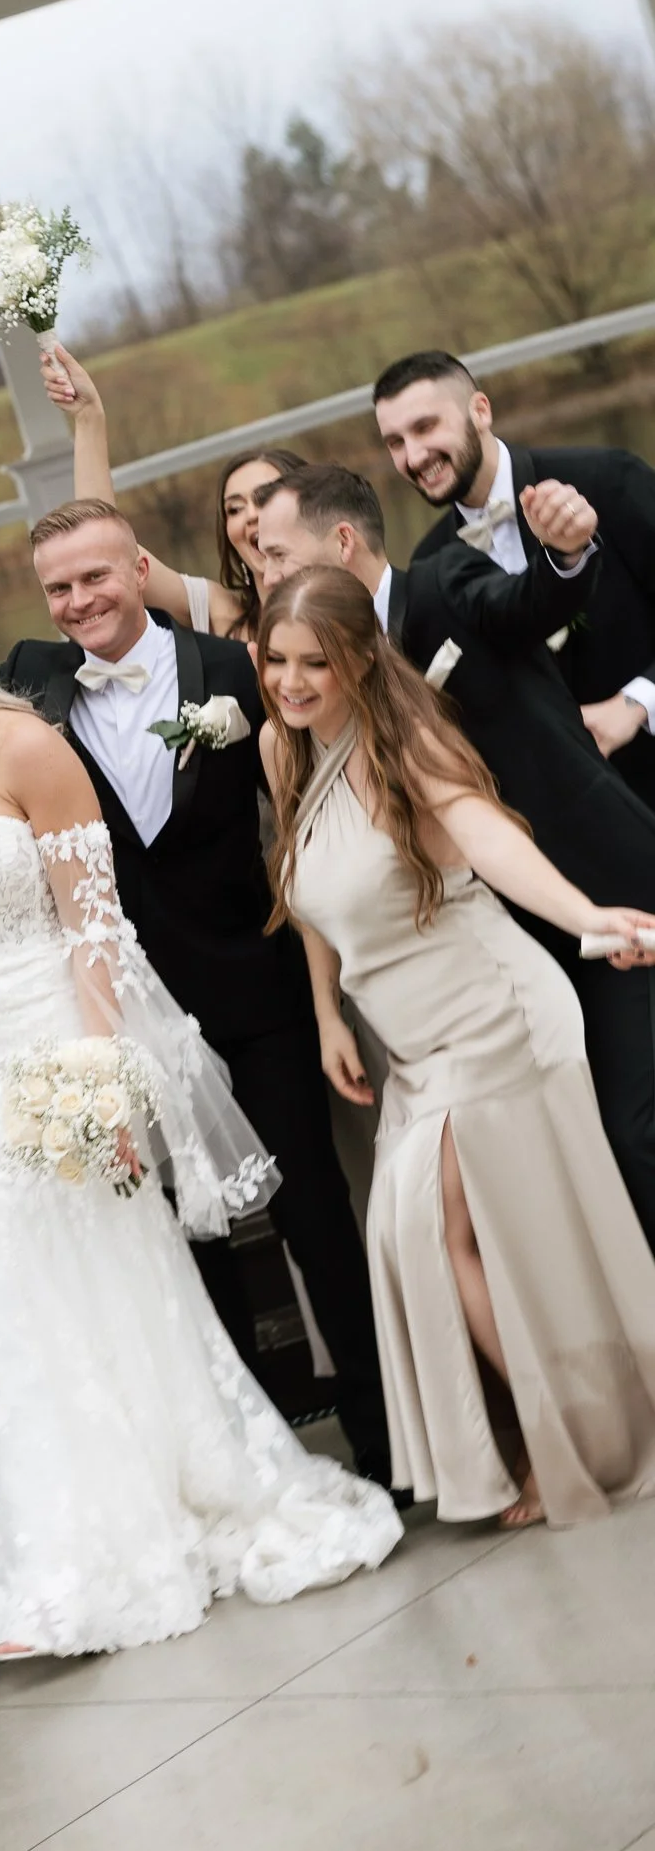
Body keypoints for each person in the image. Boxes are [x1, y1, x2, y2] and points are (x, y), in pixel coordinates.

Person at [0, 581, 400, 1658]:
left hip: (52, 1049)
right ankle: (49, 1570)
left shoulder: (26, 749)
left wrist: (102, 1071)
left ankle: (163, 1518)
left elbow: (95, 923)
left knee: (109, 1284)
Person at [0, 500, 392, 1482]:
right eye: (58, 587)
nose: (79, 600)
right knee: (187, 1236)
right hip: (128, 1012)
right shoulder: (28, 691)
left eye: (96, 577)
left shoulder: (233, 669)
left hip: (256, 988)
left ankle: (389, 1442)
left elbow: (313, 786)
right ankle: (256, 1467)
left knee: (315, 1214)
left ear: (138, 568)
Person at [258, 564, 655, 1526]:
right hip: (408, 1042)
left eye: (317, 662)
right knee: (449, 1243)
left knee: (430, 1228)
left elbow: (492, 843)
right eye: (276, 659)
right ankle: (532, 1433)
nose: (293, 681)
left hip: (493, 1014)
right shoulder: (284, 747)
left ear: (359, 659)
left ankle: (558, 1443)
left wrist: (588, 915)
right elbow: (307, 893)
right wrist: (325, 1018)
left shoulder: (408, 742)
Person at [254, 461, 655, 1246]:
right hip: (471, 949)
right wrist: (327, 1011)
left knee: (632, 1126)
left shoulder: (443, 581)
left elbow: (530, 601)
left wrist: (566, 557)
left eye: (274, 553)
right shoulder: (305, 707)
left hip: (586, 882)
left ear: (339, 543)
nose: (262, 572)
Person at [376, 349, 655, 813]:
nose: (413, 456)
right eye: (394, 442)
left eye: (425, 427)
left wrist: (637, 703)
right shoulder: (430, 566)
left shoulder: (606, 478)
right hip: (576, 821)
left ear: (480, 411)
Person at [38, 336, 306, 640]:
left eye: (265, 498)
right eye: (234, 508)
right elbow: (103, 540)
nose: (250, 516)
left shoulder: (360, 593)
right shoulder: (220, 613)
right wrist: (89, 417)